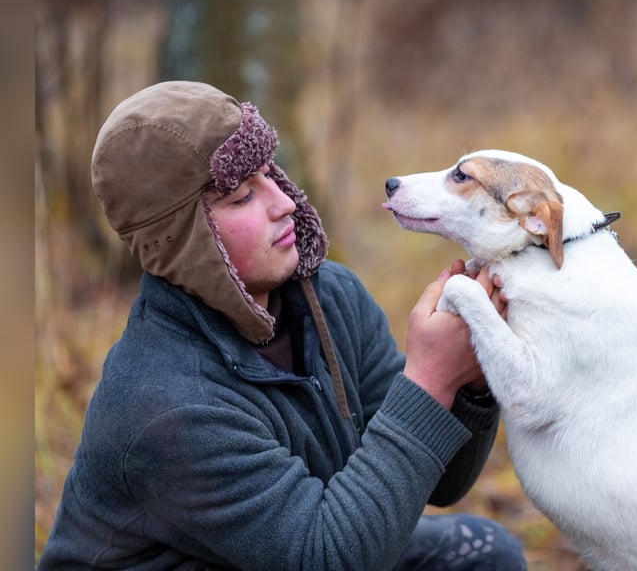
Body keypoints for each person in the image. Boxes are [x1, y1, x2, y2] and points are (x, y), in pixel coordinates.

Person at [38, 81, 527, 570]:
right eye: (241, 197)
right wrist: (430, 379)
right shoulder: (168, 406)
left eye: (270, 172)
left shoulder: (333, 298)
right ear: (181, 240)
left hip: (310, 544)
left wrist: (467, 381)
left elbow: (440, 482)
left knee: (481, 555)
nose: (284, 202)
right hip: (314, 554)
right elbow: (325, 559)